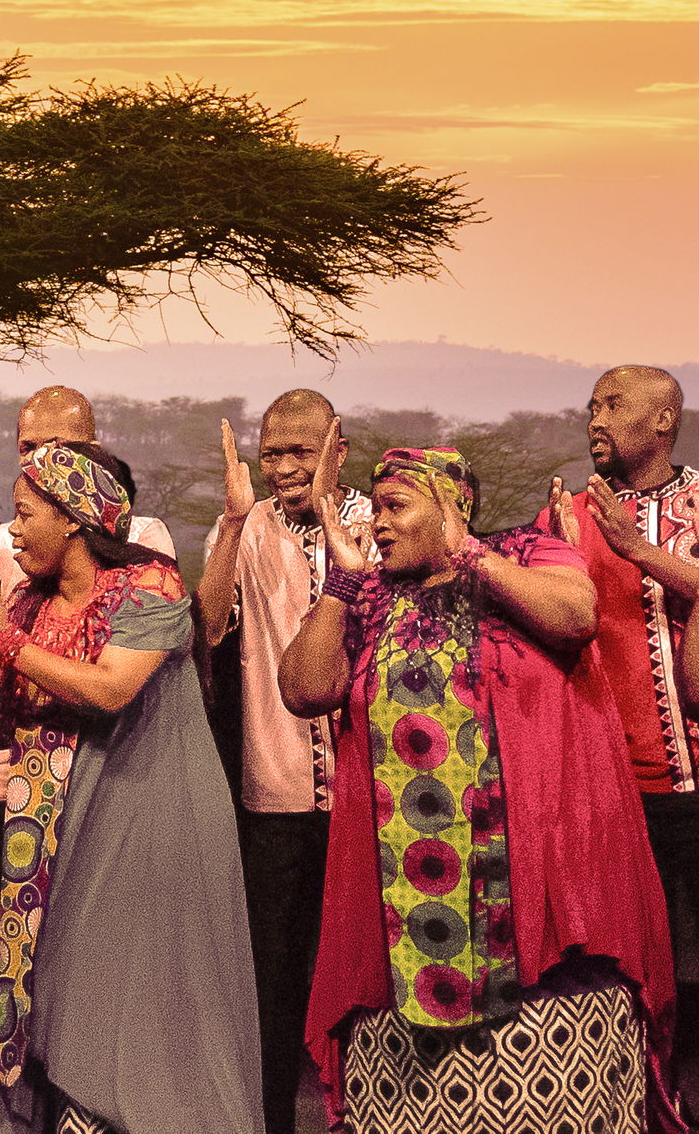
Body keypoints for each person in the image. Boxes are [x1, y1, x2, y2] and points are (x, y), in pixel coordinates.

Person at [282, 437, 681, 1133]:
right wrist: (341, 585)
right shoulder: (371, 594)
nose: (374, 523)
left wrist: (470, 554)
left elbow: (575, 616)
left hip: (534, 892)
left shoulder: (529, 554)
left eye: (394, 506)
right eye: (373, 507)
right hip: (400, 903)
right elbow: (305, 690)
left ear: (449, 506)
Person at [0, 441, 261, 1134]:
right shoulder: (25, 603)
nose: (15, 531)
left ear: (74, 518)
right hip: (49, 825)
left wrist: (1, 640)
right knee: (52, 997)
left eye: (25, 515)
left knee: (130, 1001)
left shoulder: (150, 587)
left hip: (144, 817)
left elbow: (111, 689)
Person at [195, 391, 375, 1134]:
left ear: (339, 447)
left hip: (372, 793)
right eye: (273, 452)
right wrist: (234, 521)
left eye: (302, 450)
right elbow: (205, 629)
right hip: (272, 791)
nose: (285, 467)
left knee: (369, 981)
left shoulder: (378, 521)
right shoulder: (244, 524)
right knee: (270, 986)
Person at [541, 366, 699, 1044]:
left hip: (697, 776)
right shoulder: (572, 515)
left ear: (664, 421)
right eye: (592, 405)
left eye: (613, 404)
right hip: (615, 788)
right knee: (634, 967)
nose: (594, 419)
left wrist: (637, 551)